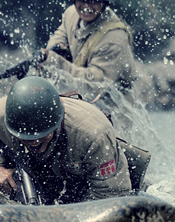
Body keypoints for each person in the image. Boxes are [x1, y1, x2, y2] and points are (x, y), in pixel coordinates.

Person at [0, 77, 134, 204]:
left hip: (94, 179)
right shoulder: (3, 115)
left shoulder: (93, 136)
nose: (33, 142)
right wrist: (2, 168)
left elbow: (111, 197)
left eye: (41, 134)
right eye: (26, 136)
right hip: (44, 173)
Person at [38, 0, 136, 98]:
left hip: (114, 105)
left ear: (104, 4)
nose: (86, 6)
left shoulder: (114, 39)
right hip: (84, 96)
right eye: (81, 0)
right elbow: (60, 36)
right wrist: (51, 52)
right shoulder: (71, 14)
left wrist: (55, 61)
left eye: (93, 1)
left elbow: (95, 85)